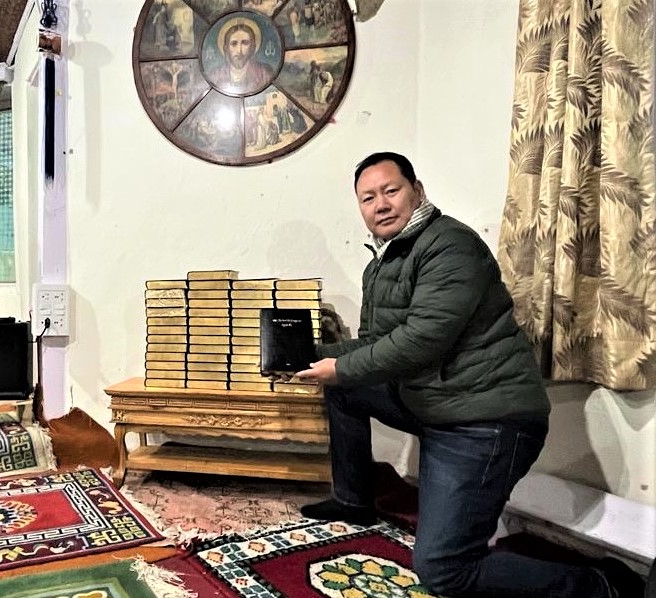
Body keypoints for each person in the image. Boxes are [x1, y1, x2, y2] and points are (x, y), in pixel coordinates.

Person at [296, 152, 646, 598]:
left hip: (484, 420)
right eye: (368, 198)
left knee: (444, 570)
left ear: (417, 191)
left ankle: (603, 585)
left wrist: (340, 367)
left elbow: (421, 340)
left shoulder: (450, 245)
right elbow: (375, 343)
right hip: (438, 402)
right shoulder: (381, 262)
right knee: (345, 390)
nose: (380, 204)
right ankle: (353, 501)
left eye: (391, 191)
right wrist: (306, 357)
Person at [209, 20, 274, 94]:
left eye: (245, 43)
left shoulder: (264, 73)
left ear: (252, 47)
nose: (239, 51)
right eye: (234, 44)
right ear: (226, 48)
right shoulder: (216, 75)